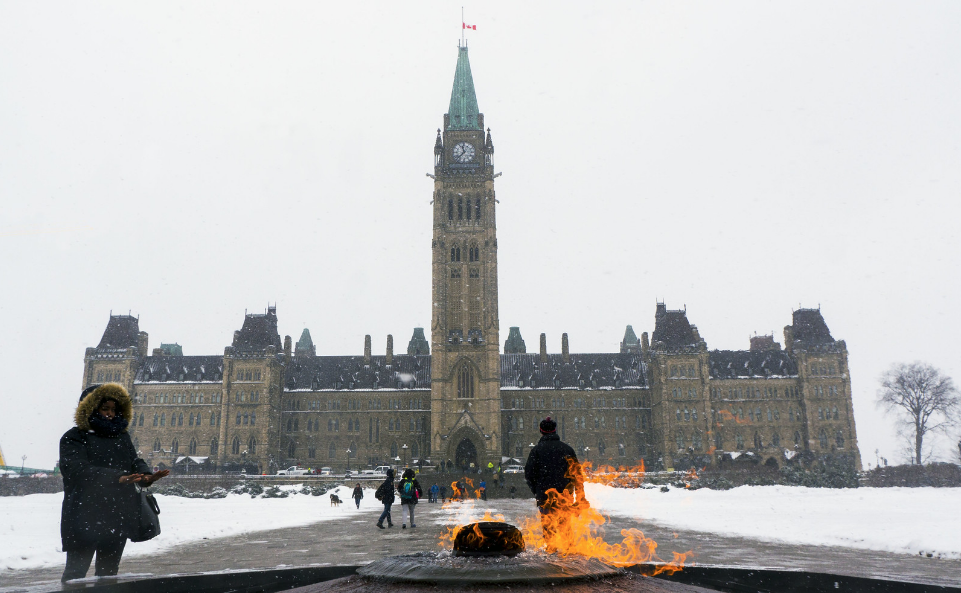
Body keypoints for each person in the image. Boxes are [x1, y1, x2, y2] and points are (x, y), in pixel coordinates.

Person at [60, 383, 170, 582]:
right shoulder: (74, 437)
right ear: (91, 408)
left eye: (114, 409)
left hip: (116, 516)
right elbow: (77, 471)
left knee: (108, 575)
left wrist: (146, 475)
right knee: (75, 575)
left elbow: (134, 460)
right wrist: (116, 477)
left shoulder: (121, 437)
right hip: (84, 515)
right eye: (105, 409)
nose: (110, 414)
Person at [524, 416, 588, 553]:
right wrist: (579, 497)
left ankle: (551, 552)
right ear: (555, 430)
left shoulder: (536, 451)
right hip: (565, 496)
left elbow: (529, 474)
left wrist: (537, 491)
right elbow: (577, 475)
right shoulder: (567, 449)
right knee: (565, 526)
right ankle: (568, 553)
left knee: (548, 528)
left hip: (545, 497)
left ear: (541, 431)